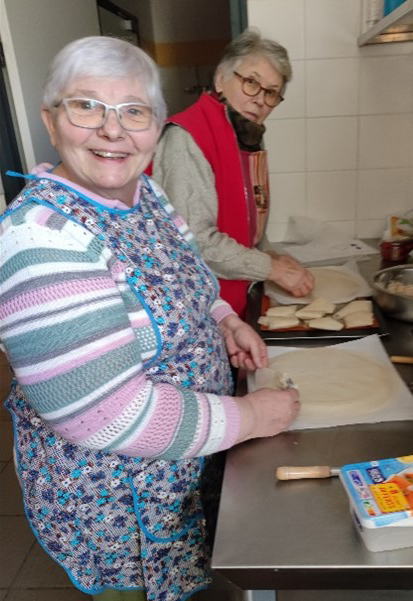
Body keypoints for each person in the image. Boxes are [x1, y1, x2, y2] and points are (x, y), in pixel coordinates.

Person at [0, 36, 300, 601]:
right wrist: (253, 416)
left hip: (178, 472)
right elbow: (106, 418)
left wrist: (223, 321)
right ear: (50, 118)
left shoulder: (147, 196)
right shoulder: (41, 241)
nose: (113, 131)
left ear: (156, 126)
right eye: (86, 105)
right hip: (114, 505)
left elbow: (193, 275)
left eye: (134, 112)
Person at [152, 28, 314, 318]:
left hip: (231, 304)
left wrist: (269, 254)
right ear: (220, 79)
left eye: (272, 92)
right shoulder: (188, 137)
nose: (260, 99)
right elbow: (195, 241)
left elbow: (245, 221)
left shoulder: (243, 137)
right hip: (200, 312)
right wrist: (270, 268)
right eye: (251, 82)